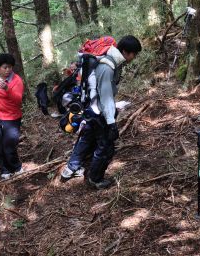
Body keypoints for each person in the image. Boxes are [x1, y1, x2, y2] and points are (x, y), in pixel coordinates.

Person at [60, 35, 142, 189]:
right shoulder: (107, 67)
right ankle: (95, 179)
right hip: (99, 113)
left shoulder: (109, 61)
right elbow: (105, 97)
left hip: (91, 109)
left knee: (86, 138)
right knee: (105, 146)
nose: (134, 57)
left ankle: (71, 168)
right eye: (134, 54)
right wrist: (111, 123)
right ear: (125, 51)